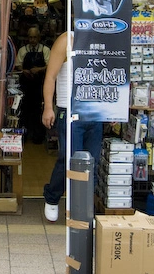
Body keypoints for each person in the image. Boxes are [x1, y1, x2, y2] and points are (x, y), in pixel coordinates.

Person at [41, 31, 103, 222]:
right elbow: (50, 76)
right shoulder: (66, 39)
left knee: (92, 162)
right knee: (68, 158)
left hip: (95, 110)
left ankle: (83, 206)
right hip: (70, 109)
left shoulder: (104, 38)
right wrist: (48, 107)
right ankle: (52, 197)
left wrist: (111, 109)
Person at [16, 27, 50, 143]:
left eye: (35, 37)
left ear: (39, 38)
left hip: (39, 85)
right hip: (26, 85)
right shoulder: (22, 50)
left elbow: (49, 66)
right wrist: (24, 70)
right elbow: (18, 65)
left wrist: (39, 69)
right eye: (30, 37)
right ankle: (24, 136)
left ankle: (38, 137)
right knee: (24, 110)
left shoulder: (45, 50)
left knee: (38, 110)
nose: (32, 40)